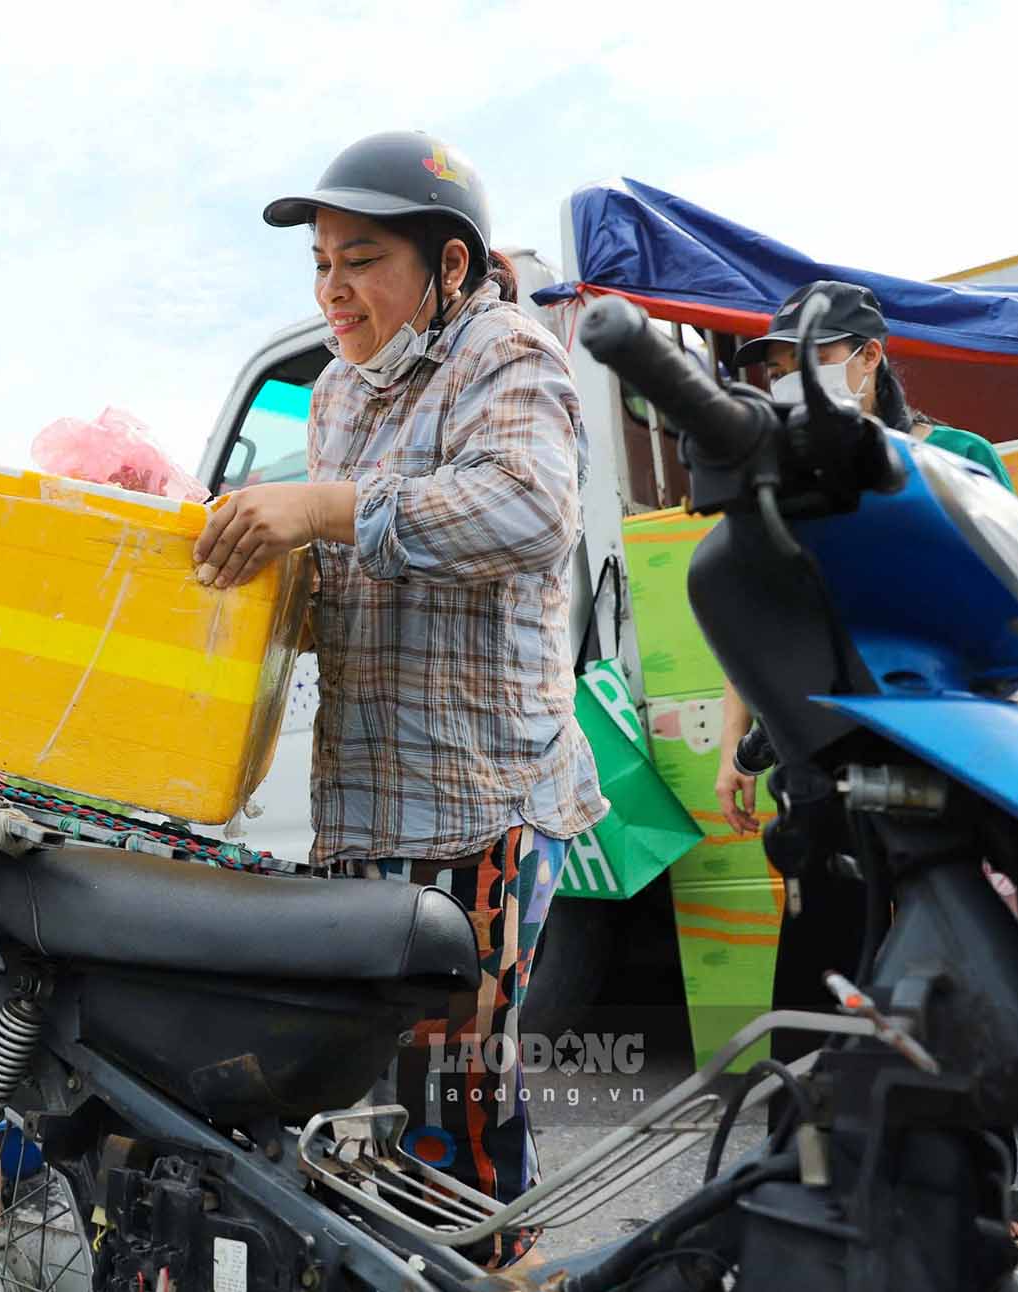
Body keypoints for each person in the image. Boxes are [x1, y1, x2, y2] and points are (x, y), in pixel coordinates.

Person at [193, 131, 604, 1267]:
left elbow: (525, 512)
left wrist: (319, 509)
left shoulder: (505, 355)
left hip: (481, 802)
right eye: (319, 263)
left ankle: (491, 1261)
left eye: (360, 259)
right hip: (367, 800)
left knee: (464, 1094)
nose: (332, 289)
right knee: (385, 1090)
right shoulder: (334, 392)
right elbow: (335, 571)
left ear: (451, 267)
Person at [716, 280, 1009, 1081]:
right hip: (820, 750)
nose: (783, 381)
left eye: (800, 361)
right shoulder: (781, 481)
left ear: (869, 358)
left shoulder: (954, 458)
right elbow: (759, 621)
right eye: (772, 368)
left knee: (965, 952)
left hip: (948, 747)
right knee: (821, 963)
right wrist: (730, 752)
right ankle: (811, 1149)